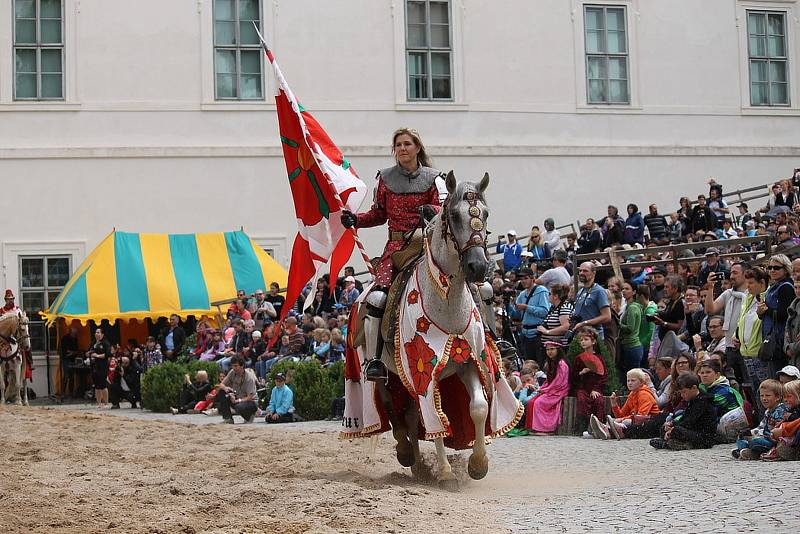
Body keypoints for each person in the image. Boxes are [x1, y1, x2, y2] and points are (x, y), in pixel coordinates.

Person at [340, 128, 443, 381]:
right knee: (376, 297)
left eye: (408, 144)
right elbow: (378, 214)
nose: (403, 148)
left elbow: (443, 210)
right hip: (396, 249)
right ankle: (375, 359)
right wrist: (356, 219)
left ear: (418, 147)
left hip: (428, 245)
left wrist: (431, 211)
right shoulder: (384, 179)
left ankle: (488, 337)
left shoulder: (435, 179)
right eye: (398, 144)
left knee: (471, 286)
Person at [649, 371, 717, 451]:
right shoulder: (692, 400)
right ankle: (669, 441)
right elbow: (685, 417)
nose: (682, 395)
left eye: (684, 392)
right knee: (665, 427)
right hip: (691, 431)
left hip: (703, 437)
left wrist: (673, 429)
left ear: (694, 388)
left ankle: (672, 443)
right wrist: (671, 424)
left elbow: (689, 422)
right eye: (681, 392)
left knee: (677, 431)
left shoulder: (703, 401)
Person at [592, 368, 660, 440]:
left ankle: (606, 430)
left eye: (633, 380)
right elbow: (621, 415)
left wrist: (620, 419)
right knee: (617, 420)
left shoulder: (644, 394)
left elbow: (640, 417)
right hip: (636, 421)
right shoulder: (632, 394)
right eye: (628, 380)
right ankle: (603, 431)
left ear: (641, 382)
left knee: (625, 421)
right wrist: (614, 404)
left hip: (649, 423)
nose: (630, 383)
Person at [522, 341, 570, 435]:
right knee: (531, 401)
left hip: (559, 390)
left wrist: (545, 390)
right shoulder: (551, 363)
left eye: (552, 349)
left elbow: (559, 382)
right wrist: (541, 388)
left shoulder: (562, 364)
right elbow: (549, 380)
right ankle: (532, 427)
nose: (549, 351)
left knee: (539, 402)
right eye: (547, 349)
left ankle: (546, 429)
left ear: (558, 350)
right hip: (551, 389)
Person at [733, 379, 786, 460]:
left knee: (755, 442)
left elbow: (774, 432)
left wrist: (755, 436)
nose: (764, 398)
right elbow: (761, 427)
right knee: (740, 439)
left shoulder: (780, 411)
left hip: (773, 441)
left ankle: (751, 452)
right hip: (764, 437)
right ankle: (749, 451)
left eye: (767, 395)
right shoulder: (768, 411)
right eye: (762, 396)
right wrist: (748, 433)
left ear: (777, 397)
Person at [761, 254, 795, 377]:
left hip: (779, 340)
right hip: (771, 337)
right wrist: (761, 313)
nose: (772, 271)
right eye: (769, 268)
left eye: (776, 268)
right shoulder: (774, 286)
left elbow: (784, 314)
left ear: (786, 269)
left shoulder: (786, 287)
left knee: (780, 378)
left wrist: (765, 310)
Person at [571, 328, 607, 437]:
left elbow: (603, 376)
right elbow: (573, 376)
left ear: (593, 341)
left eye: (586, 339)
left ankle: (599, 426)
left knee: (598, 401)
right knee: (582, 400)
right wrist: (581, 373)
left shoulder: (599, 358)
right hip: (582, 388)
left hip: (595, 388)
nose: (583, 342)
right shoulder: (578, 359)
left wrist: (596, 389)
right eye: (581, 340)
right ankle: (583, 427)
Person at [514, 268, 550, 367]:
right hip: (525, 334)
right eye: (522, 279)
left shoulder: (541, 291)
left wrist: (527, 307)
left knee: (540, 363)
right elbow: (516, 315)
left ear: (533, 278)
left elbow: (545, 311)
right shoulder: (522, 294)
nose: (523, 281)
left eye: (526, 278)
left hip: (537, 333)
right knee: (529, 364)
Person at [704, 262, 746, 345]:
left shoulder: (752, 294)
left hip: (746, 347)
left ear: (745, 274)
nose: (731, 277)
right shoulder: (728, 293)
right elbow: (709, 310)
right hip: (729, 346)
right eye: (731, 273)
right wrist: (710, 287)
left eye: (735, 273)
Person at [571, 262, 611, 338]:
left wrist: (585, 323)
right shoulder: (580, 291)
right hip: (581, 336)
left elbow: (607, 316)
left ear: (593, 273)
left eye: (585, 271)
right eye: (580, 271)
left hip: (594, 336)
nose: (582, 273)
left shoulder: (599, 291)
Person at [763, 379, 800, 461]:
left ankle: (794, 452)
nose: (786, 399)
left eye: (789, 396)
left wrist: (783, 429)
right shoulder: (790, 409)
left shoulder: (788, 410)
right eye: (785, 397)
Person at [215, 356, 258, 424]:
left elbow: (250, 397)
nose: (234, 368)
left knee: (239, 406)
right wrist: (226, 389)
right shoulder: (232, 372)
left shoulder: (249, 378)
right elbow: (221, 384)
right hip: (236, 396)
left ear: (242, 366)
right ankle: (228, 419)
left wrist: (237, 400)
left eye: (236, 366)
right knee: (222, 392)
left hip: (250, 402)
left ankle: (249, 416)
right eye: (232, 366)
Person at [537, 283, 573, 348]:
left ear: (555, 296)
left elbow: (566, 327)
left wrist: (547, 331)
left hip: (558, 347)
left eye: (550, 294)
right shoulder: (554, 308)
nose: (548, 296)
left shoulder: (564, 307)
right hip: (549, 346)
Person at [619, 281, 643, 374]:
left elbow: (630, 328)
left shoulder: (632, 308)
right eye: (622, 289)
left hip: (631, 346)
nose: (624, 291)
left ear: (634, 292)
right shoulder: (629, 306)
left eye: (627, 289)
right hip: (630, 345)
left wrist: (618, 324)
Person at [87, 328, 112, 407]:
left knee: (103, 384)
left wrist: (97, 356)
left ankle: (106, 403)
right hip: (94, 366)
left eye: (98, 332)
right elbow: (88, 352)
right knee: (96, 385)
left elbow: (108, 354)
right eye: (95, 332)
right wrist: (88, 354)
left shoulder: (105, 343)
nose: (96, 334)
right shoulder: (93, 343)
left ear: (102, 334)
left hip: (102, 366)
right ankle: (98, 403)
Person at [58, 326, 81, 401]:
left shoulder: (75, 339)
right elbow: (63, 351)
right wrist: (71, 353)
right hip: (65, 359)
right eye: (74, 333)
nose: (75, 335)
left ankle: (71, 393)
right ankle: (63, 393)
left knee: (72, 376)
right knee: (66, 376)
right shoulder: (64, 339)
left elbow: (76, 350)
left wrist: (72, 352)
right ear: (70, 332)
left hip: (72, 359)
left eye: (76, 334)